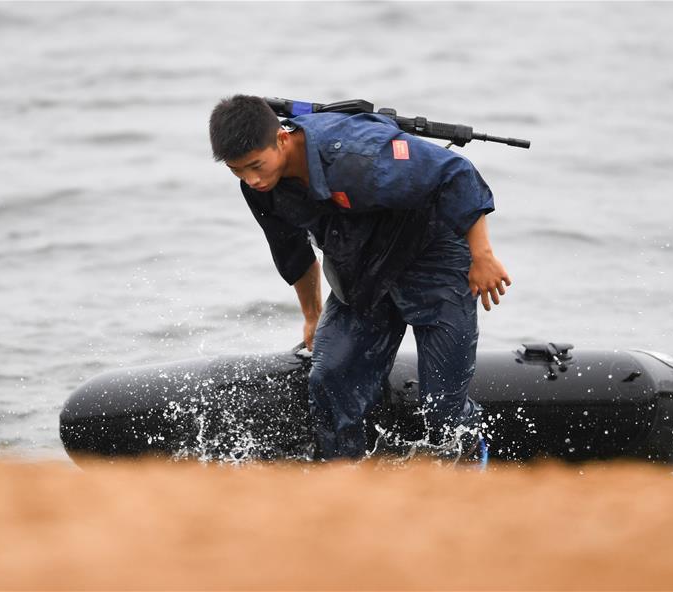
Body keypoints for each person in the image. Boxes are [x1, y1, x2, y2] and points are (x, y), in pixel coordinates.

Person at [209, 95, 510, 461]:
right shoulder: (262, 191)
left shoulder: (357, 158)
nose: (251, 179)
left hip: (433, 258)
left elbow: (455, 172)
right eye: (237, 171)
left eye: (256, 165)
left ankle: (472, 465)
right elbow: (293, 253)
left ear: (283, 139)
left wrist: (482, 255)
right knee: (329, 376)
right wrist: (311, 314)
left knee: (442, 408)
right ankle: (346, 480)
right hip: (362, 267)